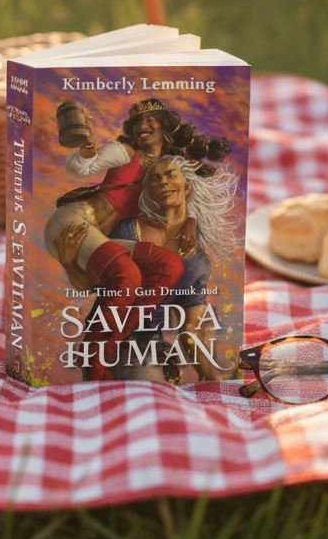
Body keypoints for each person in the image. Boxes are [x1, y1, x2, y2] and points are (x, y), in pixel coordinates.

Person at [43, 100, 231, 340]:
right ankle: (97, 352)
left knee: (165, 264)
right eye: (138, 121)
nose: (143, 125)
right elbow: (81, 169)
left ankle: (122, 340)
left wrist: (190, 222)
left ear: (165, 128)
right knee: (127, 274)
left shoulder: (167, 168)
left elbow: (187, 196)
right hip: (73, 223)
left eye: (151, 120)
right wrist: (88, 148)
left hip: (98, 238)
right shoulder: (125, 152)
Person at [54, 155, 238, 382]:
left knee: (152, 397)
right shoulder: (124, 231)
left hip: (146, 345)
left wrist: (210, 377)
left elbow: (192, 330)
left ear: (186, 186)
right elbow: (89, 285)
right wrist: (69, 261)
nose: (163, 182)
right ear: (148, 190)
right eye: (155, 178)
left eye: (171, 175)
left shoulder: (197, 262)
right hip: (104, 339)